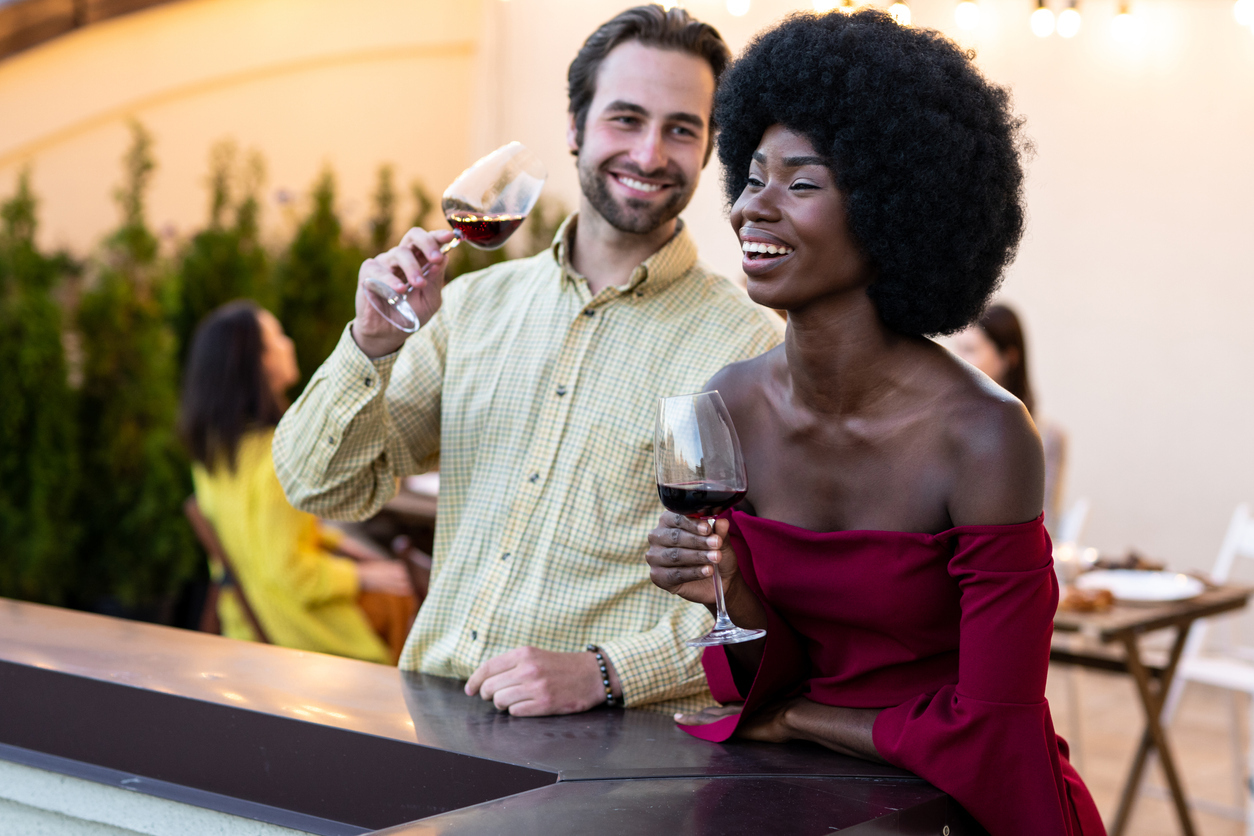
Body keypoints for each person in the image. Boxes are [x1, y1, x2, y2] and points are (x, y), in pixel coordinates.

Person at [644, 11, 1103, 836]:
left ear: (896, 210)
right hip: (802, 798)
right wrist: (728, 588)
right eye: (751, 177)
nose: (756, 208)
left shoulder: (985, 435)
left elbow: (996, 727)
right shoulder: (733, 405)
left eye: (803, 183)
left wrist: (797, 718)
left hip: (965, 807)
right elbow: (755, 678)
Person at [272, 6, 783, 716]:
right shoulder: (473, 308)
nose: (650, 153)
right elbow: (317, 485)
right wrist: (371, 345)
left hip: (611, 760)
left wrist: (606, 672)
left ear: (708, 148)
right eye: (625, 119)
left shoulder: (749, 346)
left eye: (681, 129)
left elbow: (766, 601)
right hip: (436, 716)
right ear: (574, 130)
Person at [180, 301, 416, 664]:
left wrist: (340, 544)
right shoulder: (282, 457)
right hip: (301, 634)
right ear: (257, 362)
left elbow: (259, 543)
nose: (289, 343)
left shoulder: (214, 453)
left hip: (245, 623)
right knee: (403, 600)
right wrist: (363, 576)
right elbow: (290, 573)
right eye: (277, 337)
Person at [949, 304, 1069, 536]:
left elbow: (1044, 526)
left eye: (970, 350)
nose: (958, 361)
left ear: (1008, 357)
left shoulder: (1046, 437)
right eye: (958, 350)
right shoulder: (949, 427)